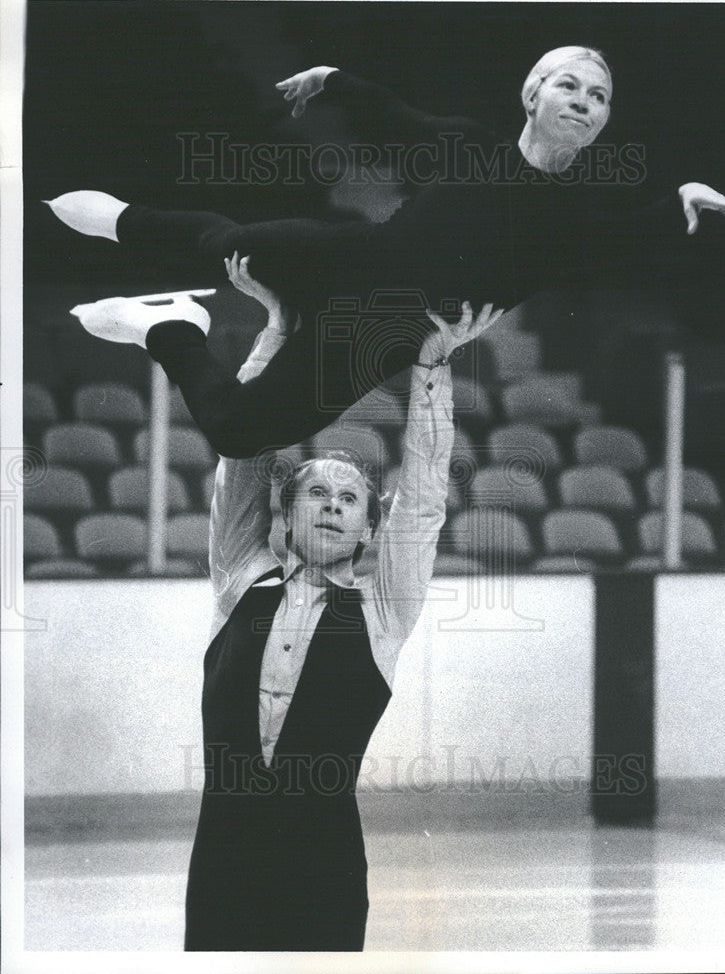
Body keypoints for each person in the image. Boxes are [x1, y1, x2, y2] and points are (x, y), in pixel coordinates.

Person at [79, 254, 501, 949]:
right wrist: (275, 330)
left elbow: (422, 500)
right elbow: (239, 450)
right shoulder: (240, 576)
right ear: (286, 514)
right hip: (222, 860)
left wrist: (431, 368)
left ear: (369, 525)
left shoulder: (382, 612)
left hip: (324, 865)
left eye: (349, 499)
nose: (333, 506)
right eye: (316, 493)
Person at [50, 46, 725, 455]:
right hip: (352, 258)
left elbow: (632, 232)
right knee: (229, 243)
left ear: (600, 123)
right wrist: (332, 80)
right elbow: (398, 117)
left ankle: (171, 327)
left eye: (598, 96)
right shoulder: (469, 144)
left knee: (237, 432)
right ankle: (119, 220)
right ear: (532, 94)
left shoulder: (576, 217)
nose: (583, 101)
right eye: (568, 84)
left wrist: (682, 194)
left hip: (385, 333)